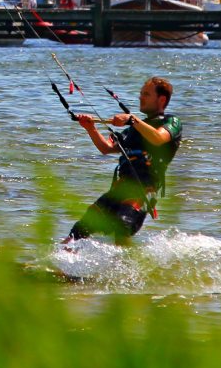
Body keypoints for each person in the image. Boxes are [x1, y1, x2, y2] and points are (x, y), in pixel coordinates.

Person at [64, 76, 182, 245]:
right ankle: (54, 262)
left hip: (143, 189)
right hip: (120, 188)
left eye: (146, 94)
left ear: (161, 99)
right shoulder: (131, 130)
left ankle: (130, 270)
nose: (140, 97)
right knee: (81, 228)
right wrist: (91, 128)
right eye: (141, 93)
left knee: (122, 226)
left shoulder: (171, 122)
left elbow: (158, 138)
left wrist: (132, 119)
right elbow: (106, 148)